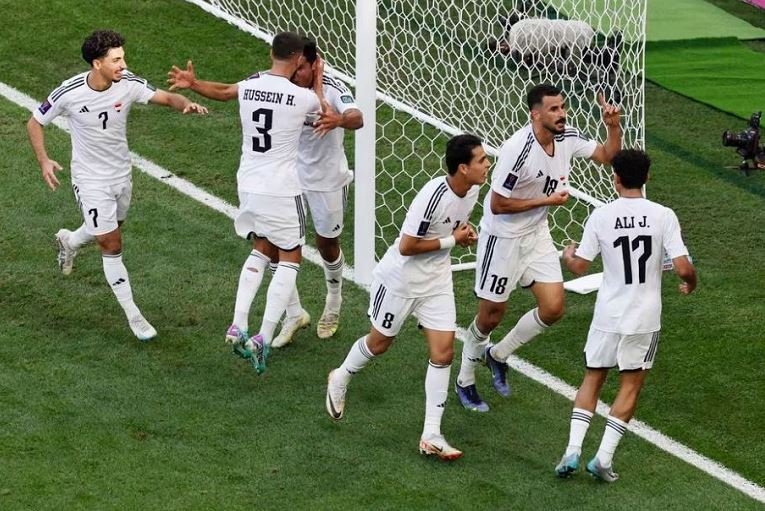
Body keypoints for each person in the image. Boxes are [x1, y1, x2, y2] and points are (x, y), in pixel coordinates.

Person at [27, 29, 208, 341]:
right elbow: (35, 122)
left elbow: (165, 97)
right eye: (116, 60)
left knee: (113, 227)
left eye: (123, 57)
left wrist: (184, 103)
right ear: (98, 64)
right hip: (90, 179)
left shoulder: (128, 83)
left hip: (121, 175)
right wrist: (44, 159)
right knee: (111, 244)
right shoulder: (68, 92)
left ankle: (70, 241)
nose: (123, 64)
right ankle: (134, 316)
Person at [455, 83, 621, 412]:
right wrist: (548, 200)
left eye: (563, 107)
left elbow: (606, 155)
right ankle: (465, 379)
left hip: (536, 234)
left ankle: (497, 355)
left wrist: (612, 126)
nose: (562, 114)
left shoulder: (567, 136)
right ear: (536, 114)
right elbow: (499, 204)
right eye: (554, 109)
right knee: (490, 317)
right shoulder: (517, 150)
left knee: (553, 307)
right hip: (502, 238)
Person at [325, 134, 489, 460]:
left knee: (443, 353)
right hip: (401, 280)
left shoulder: (473, 189)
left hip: (437, 282)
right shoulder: (432, 196)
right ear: (462, 167)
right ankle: (340, 376)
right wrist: (452, 242)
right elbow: (407, 246)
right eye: (481, 160)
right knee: (379, 343)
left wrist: (463, 235)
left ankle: (432, 434)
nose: (487, 165)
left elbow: (454, 227)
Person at [166, 31, 323, 373]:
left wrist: (192, 83)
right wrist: (319, 80)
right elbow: (323, 112)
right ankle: (264, 335)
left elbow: (222, 92)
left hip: (248, 184)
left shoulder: (251, 84)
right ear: (299, 60)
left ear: (271, 53)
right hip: (282, 189)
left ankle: (238, 322)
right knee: (290, 258)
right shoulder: (302, 97)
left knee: (261, 248)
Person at [554, 149, 697, 482]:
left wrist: (567, 254)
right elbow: (682, 267)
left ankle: (572, 450)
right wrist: (690, 283)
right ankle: (602, 459)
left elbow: (579, 266)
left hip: (607, 313)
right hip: (643, 318)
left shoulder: (601, 215)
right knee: (631, 385)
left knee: (593, 378)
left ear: (615, 178)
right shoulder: (664, 215)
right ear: (647, 178)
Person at [270, 37, 364, 348]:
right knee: (275, 243)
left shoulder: (335, 86)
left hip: (327, 181)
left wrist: (337, 118)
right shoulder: (282, 81)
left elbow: (357, 116)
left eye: (300, 69)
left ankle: (333, 301)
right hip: (291, 177)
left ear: (315, 64)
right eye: (292, 68)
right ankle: (293, 313)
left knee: (326, 244)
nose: (294, 75)